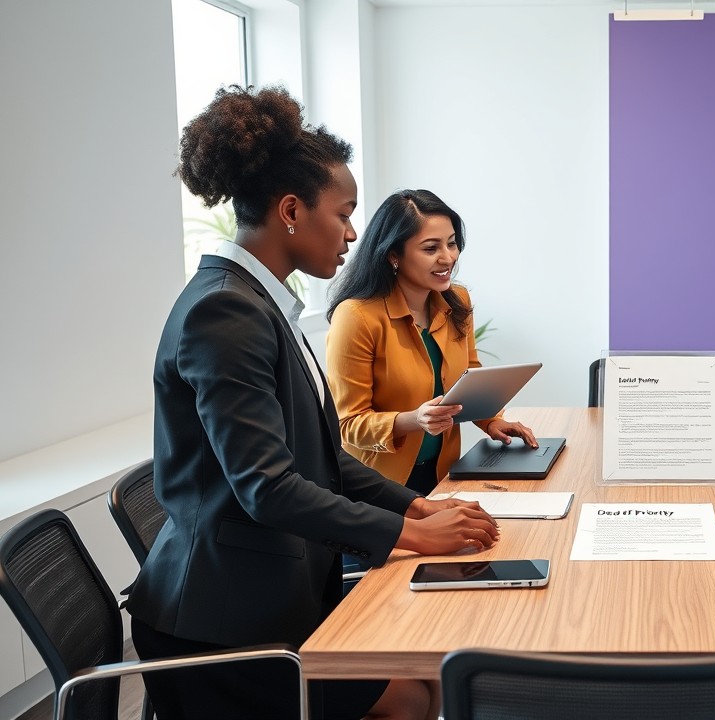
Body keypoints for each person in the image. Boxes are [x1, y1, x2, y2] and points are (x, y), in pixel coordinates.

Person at [128, 85, 501, 720]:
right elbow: (268, 487)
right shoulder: (226, 312)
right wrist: (412, 534)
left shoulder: (261, 304)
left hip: (269, 589)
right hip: (220, 629)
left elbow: (320, 456)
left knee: (427, 676)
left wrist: (417, 504)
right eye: (345, 213)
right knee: (414, 692)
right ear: (293, 211)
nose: (354, 233)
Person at [325, 189, 537, 496]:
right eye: (430, 248)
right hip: (378, 488)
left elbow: (469, 375)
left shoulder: (457, 301)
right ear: (393, 255)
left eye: (452, 243)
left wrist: (491, 420)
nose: (448, 257)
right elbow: (348, 424)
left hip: (444, 476)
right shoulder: (356, 316)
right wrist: (413, 420)